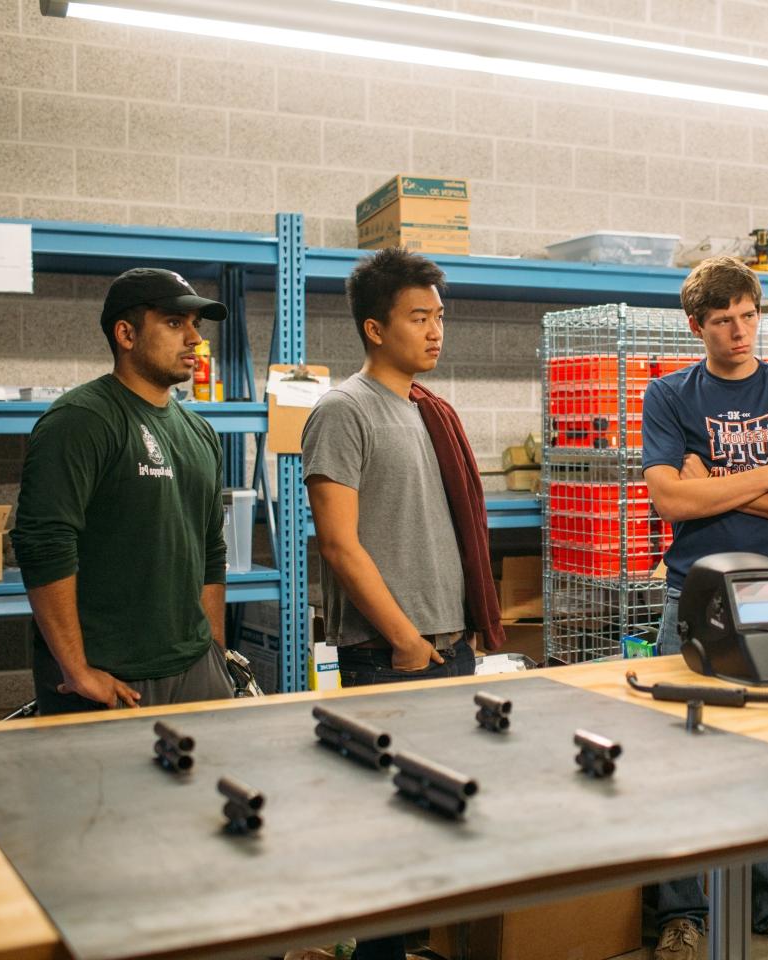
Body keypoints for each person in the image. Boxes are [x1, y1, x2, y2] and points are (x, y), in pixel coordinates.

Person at [301, 247, 503, 960]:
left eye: (439, 316)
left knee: (430, 822)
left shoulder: (429, 412)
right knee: (385, 831)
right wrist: (407, 641)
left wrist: (457, 636)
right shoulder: (342, 411)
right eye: (419, 317)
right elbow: (338, 545)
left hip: (446, 647)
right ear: (374, 328)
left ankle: (404, 950)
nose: (435, 331)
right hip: (389, 655)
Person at [641, 255, 768, 958]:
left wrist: (716, 481)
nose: (739, 332)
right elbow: (670, 500)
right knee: (681, 755)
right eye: (722, 321)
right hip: (692, 595)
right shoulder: (668, 395)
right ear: (696, 326)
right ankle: (681, 913)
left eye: (748, 316)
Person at [13, 268, 234, 714]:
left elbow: (211, 551)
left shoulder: (202, 433)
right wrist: (76, 670)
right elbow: (43, 544)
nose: (194, 338)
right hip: (111, 678)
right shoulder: (81, 420)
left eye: (196, 325)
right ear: (126, 334)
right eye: (175, 323)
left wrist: (214, 651)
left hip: (196, 669)